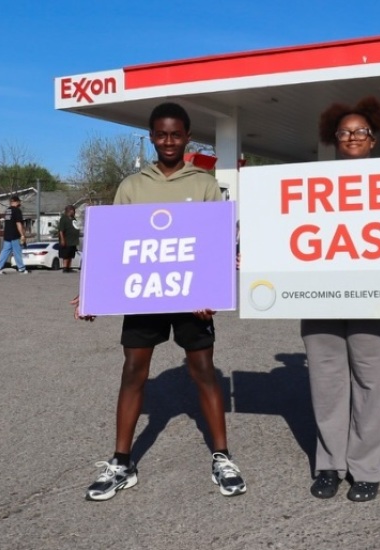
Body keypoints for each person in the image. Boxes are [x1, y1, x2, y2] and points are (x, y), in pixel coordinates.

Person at [73, 102, 246, 501]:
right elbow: (112, 246)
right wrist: (92, 292)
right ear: (151, 137)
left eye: (176, 134)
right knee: (134, 370)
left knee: (203, 369)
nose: (168, 141)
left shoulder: (204, 184)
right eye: (161, 134)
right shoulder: (132, 186)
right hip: (142, 293)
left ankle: (222, 455)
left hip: (191, 296)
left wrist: (212, 291)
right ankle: (121, 461)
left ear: (187, 136)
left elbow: (216, 243)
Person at [304, 97, 380, 502]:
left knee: (372, 383)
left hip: (376, 295)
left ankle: (366, 467)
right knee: (326, 383)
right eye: (344, 132)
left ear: (373, 140)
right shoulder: (306, 187)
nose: (353, 137)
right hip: (318, 294)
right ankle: (329, 464)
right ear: (333, 139)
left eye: (361, 131)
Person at [0, 195, 29, 275]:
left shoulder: (8, 210)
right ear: (17, 202)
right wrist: (22, 235)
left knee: (5, 251)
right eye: (19, 202)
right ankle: (22, 269)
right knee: (17, 251)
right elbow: (18, 223)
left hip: (7, 234)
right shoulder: (17, 210)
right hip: (14, 234)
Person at [57, 205, 80, 272]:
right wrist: (62, 240)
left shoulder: (73, 219)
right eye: (73, 210)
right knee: (66, 255)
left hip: (73, 241)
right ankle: (65, 268)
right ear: (70, 210)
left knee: (71, 255)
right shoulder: (63, 218)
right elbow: (61, 231)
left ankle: (68, 268)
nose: (74, 212)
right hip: (67, 240)